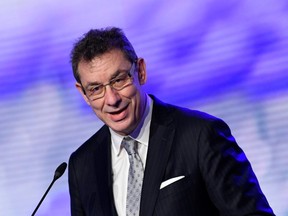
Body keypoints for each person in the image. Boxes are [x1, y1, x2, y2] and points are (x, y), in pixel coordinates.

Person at [68, 27, 274, 216]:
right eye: (96, 89)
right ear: (84, 94)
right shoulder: (82, 165)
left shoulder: (200, 136)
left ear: (140, 71)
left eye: (119, 80)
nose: (112, 99)